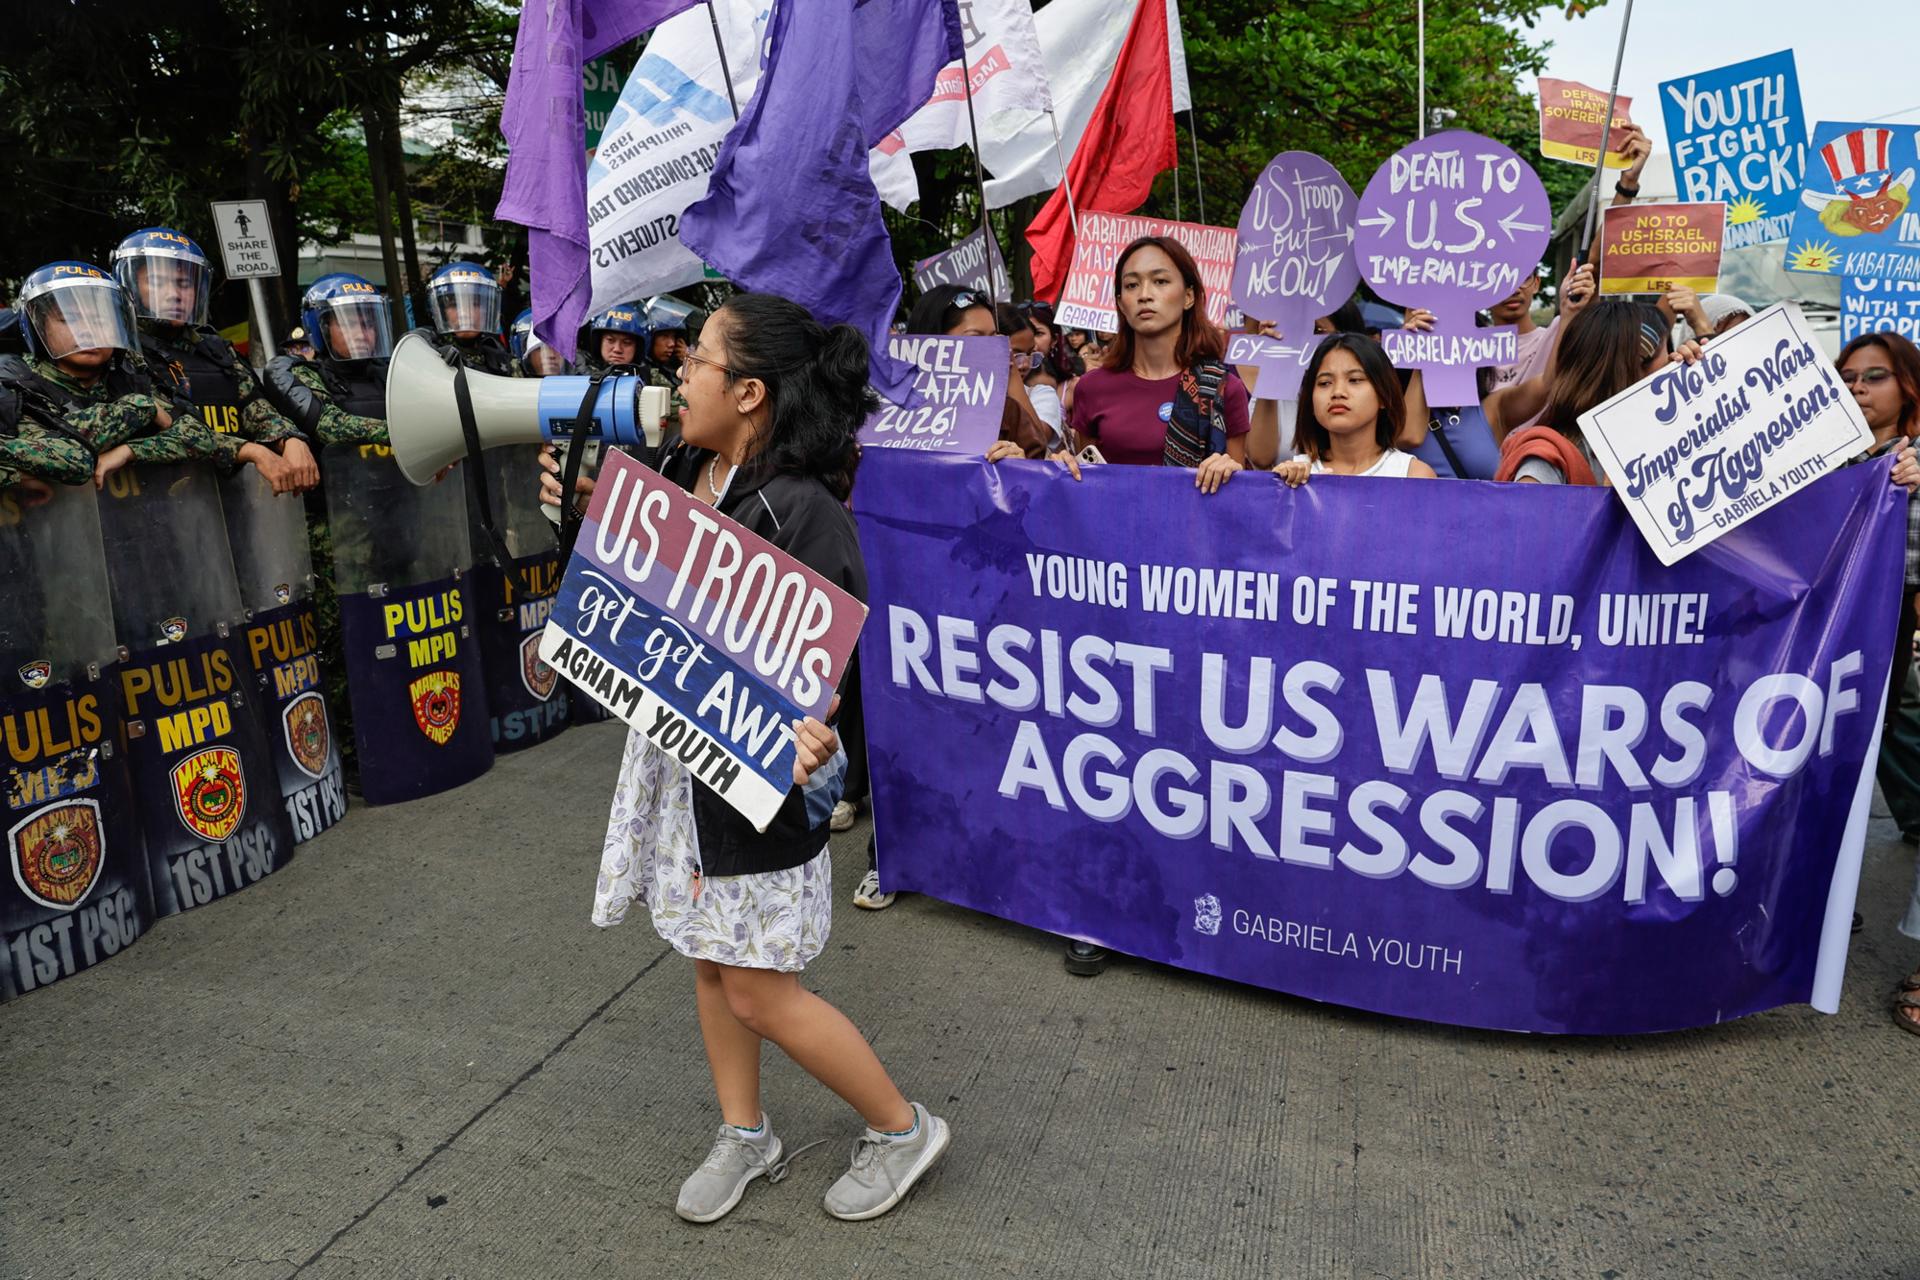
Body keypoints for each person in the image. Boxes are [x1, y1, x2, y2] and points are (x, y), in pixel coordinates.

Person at [593, 291, 950, 1223]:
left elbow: (821, 670)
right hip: (688, 774)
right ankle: (746, 1132)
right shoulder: (682, 472)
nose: (679, 372)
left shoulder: (803, 511)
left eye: (697, 360)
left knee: (757, 989)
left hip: (760, 788)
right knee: (710, 959)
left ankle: (901, 1126)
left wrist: (803, 723)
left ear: (749, 392)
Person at [1029, 236, 1250, 500]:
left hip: (1195, 536)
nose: (1145, 295)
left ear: (1189, 296)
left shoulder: (1223, 388)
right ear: (1121, 303)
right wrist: (1066, 467)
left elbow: (1240, 495)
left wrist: (1231, 471)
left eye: (1160, 281)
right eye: (1132, 285)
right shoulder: (1091, 387)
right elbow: (1088, 482)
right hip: (1115, 535)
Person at [113, 226, 319, 494]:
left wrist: (289, 439)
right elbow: (174, 428)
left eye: (184, 283)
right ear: (130, 285)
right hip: (158, 501)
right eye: (157, 281)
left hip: (232, 499)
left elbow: (254, 406)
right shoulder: (120, 353)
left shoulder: (215, 349)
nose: (174, 293)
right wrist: (252, 451)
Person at [0, 261, 221, 492]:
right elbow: (70, 455)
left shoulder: (129, 376)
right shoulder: (16, 384)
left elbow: (201, 437)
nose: (88, 331)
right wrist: (137, 408)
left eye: (100, 320)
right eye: (69, 319)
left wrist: (130, 451)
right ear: (39, 327)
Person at [1274, 334, 1437, 485]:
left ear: (1383, 395)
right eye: (1324, 383)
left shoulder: (1414, 476)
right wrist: (1279, 486)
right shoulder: (1294, 476)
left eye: (1355, 380)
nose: (1337, 392)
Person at [260, 275, 393, 446]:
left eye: (368, 325)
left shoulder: (390, 374)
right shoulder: (304, 374)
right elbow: (327, 424)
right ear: (321, 328)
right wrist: (403, 435)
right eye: (349, 324)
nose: (361, 335)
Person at [423, 260, 515, 375]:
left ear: (487, 310)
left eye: (475, 304)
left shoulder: (502, 359)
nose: (465, 313)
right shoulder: (424, 352)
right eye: (453, 304)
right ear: (440, 310)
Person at [581, 303, 647, 374]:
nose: (617, 349)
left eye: (626, 342)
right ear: (599, 342)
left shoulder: (649, 380)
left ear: (638, 348)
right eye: (610, 340)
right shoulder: (579, 372)